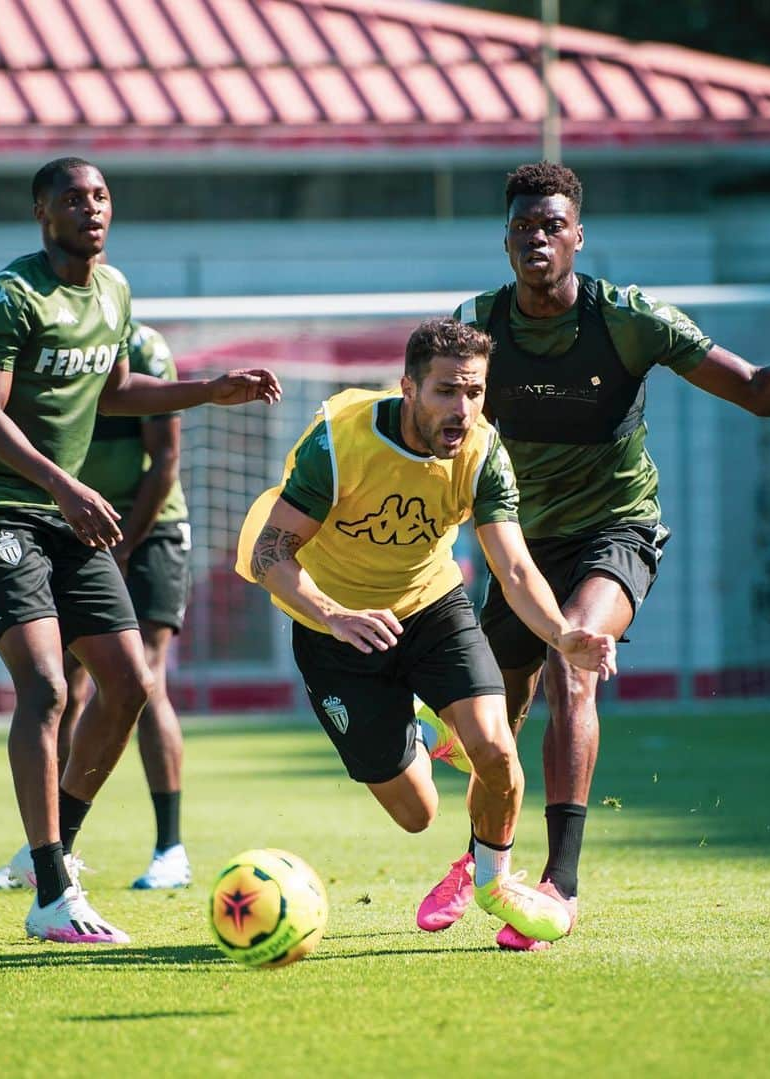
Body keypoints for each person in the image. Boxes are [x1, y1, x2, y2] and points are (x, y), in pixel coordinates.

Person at [416, 161, 770, 952]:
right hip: (520, 547)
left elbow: (764, 392)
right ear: (505, 240)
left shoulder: (632, 320)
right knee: (488, 728)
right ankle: (482, 863)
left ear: (578, 236)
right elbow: (434, 434)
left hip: (616, 529)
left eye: (552, 224)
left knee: (577, 656)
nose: (537, 237)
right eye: (523, 226)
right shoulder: (475, 326)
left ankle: (559, 886)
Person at [0, 157, 281, 944]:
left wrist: (206, 389)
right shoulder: (9, 295)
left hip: (66, 517)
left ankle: (53, 848)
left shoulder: (115, 292)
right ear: (42, 211)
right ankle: (54, 890)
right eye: (72, 198)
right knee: (48, 688)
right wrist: (64, 483)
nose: (90, 209)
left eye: (100, 197)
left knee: (128, 685)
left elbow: (117, 390)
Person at [234, 317, 617, 946]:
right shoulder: (339, 442)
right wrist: (334, 614)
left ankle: (494, 883)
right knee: (416, 814)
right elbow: (271, 554)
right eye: (446, 391)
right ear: (407, 387)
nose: (463, 409)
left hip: (432, 607)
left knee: (497, 753)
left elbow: (514, 566)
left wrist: (560, 634)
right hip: (333, 627)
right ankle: (417, 730)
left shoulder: (483, 452)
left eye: (474, 392)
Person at [0, 320, 195, 893]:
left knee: (144, 677)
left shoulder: (143, 348)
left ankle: (171, 848)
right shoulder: (37, 350)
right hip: (62, 524)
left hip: (148, 524)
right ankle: (51, 851)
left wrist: (123, 550)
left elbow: (164, 462)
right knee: (59, 684)